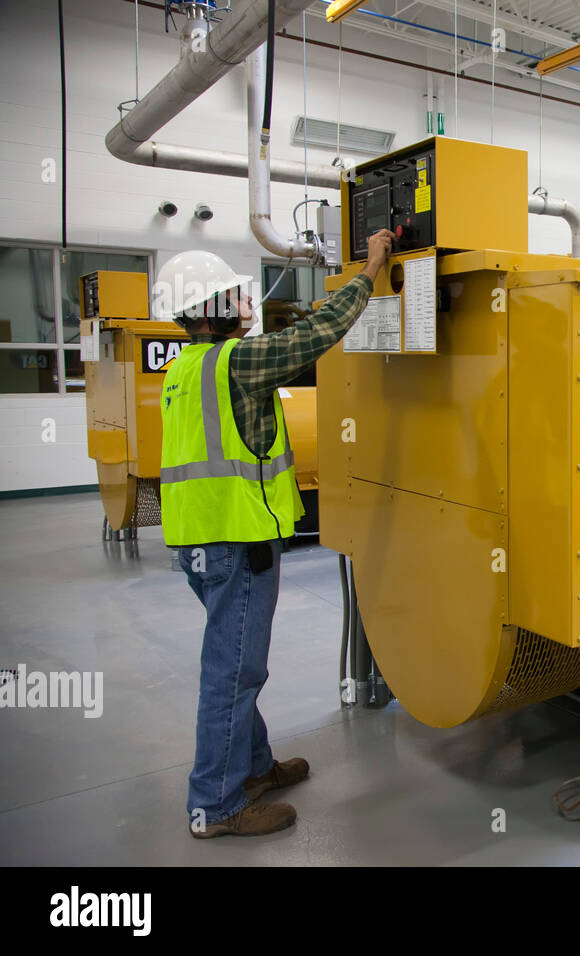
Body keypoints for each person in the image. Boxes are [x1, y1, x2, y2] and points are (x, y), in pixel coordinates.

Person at [157, 229, 395, 838]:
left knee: (235, 663)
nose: (244, 302)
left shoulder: (182, 369)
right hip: (236, 542)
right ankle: (216, 805)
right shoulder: (235, 363)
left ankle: (255, 768)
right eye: (233, 295)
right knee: (233, 672)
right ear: (212, 308)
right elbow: (314, 334)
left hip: (197, 541)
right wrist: (370, 269)